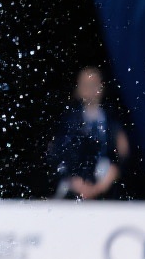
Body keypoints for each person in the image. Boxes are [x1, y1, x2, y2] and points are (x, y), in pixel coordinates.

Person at [47, 66, 128, 200]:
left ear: (102, 87)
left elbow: (122, 154)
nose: (90, 89)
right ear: (77, 88)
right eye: (85, 85)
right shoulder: (68, 121)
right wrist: (73, 180)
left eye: (94, 84)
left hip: (106, 186)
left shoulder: (113, 121)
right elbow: (57, 153)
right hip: (73, 186)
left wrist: (105, 182)